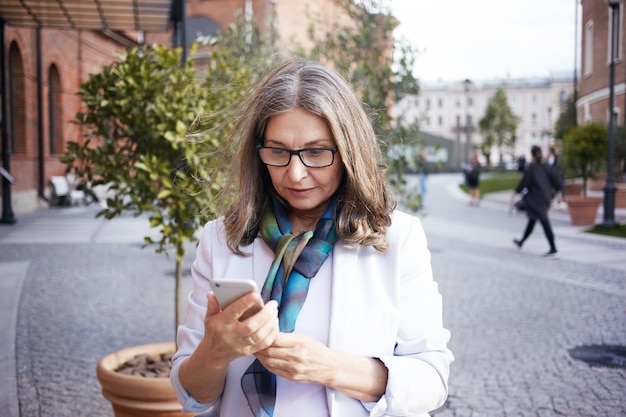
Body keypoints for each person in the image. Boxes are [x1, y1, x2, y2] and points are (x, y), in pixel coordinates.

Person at [170, 56, 453, 417]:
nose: (296, 174)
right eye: (278, 151)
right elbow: (191, 396)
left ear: (349, 151)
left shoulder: (397, 238)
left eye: (316, 152)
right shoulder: (221, 239)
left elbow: (432, 378)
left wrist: (330, 367)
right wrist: (216, 350)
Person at [510, 145, 563, 257]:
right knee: (532, 220)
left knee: (544, 222)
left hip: (536, 200)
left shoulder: (532, 167)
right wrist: (559, 193)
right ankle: (521, 242)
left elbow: (524, 182)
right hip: (545, 198)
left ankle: (553, 248)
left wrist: (515, 193)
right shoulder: (547, 166)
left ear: (532, 154)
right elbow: (556, 180)